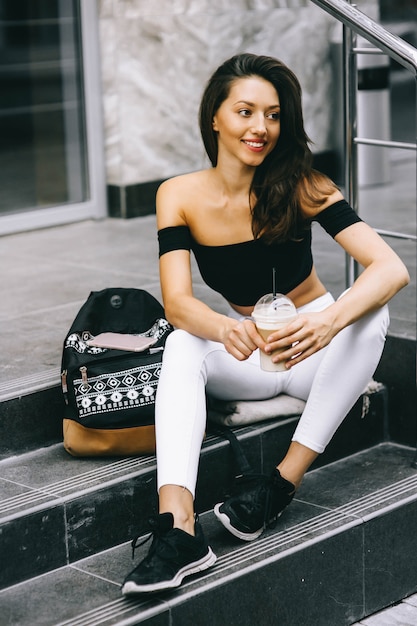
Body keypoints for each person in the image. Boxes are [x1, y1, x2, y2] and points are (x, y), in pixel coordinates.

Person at [122, 53, 409, 595]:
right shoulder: (177, 195)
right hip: (248, 349)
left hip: (313, 349)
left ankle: (279, 485)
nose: (261, 128)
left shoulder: (303, 184)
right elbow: (178, 302)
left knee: (372, 313)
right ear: (215, 117)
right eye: (246, 111)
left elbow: (390, 268)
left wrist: (328, 322)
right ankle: (180, 528)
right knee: (184, 342)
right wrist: (222, 328)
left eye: (273, 115)